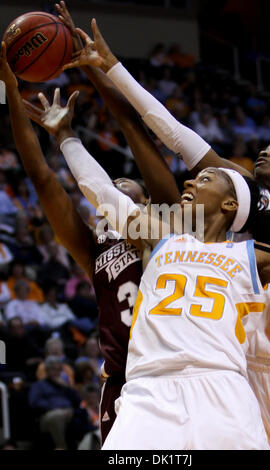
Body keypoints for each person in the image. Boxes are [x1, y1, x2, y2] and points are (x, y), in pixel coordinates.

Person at [68, 20, 270, 449]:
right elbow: (172, 133)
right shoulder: (237, 220)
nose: (265, 149)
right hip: (233, 368)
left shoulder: (265, 242)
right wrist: (110, 67)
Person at [0, 14, 180, 447]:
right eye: (109, 188)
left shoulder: (171, 225)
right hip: (124, 384)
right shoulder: (93, 248)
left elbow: (135, 133)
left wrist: (94, 70)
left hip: (178, 370)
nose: (113, 191)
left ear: (144, 201)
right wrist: (10, 88)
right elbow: (42, 178)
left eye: (124, 185)